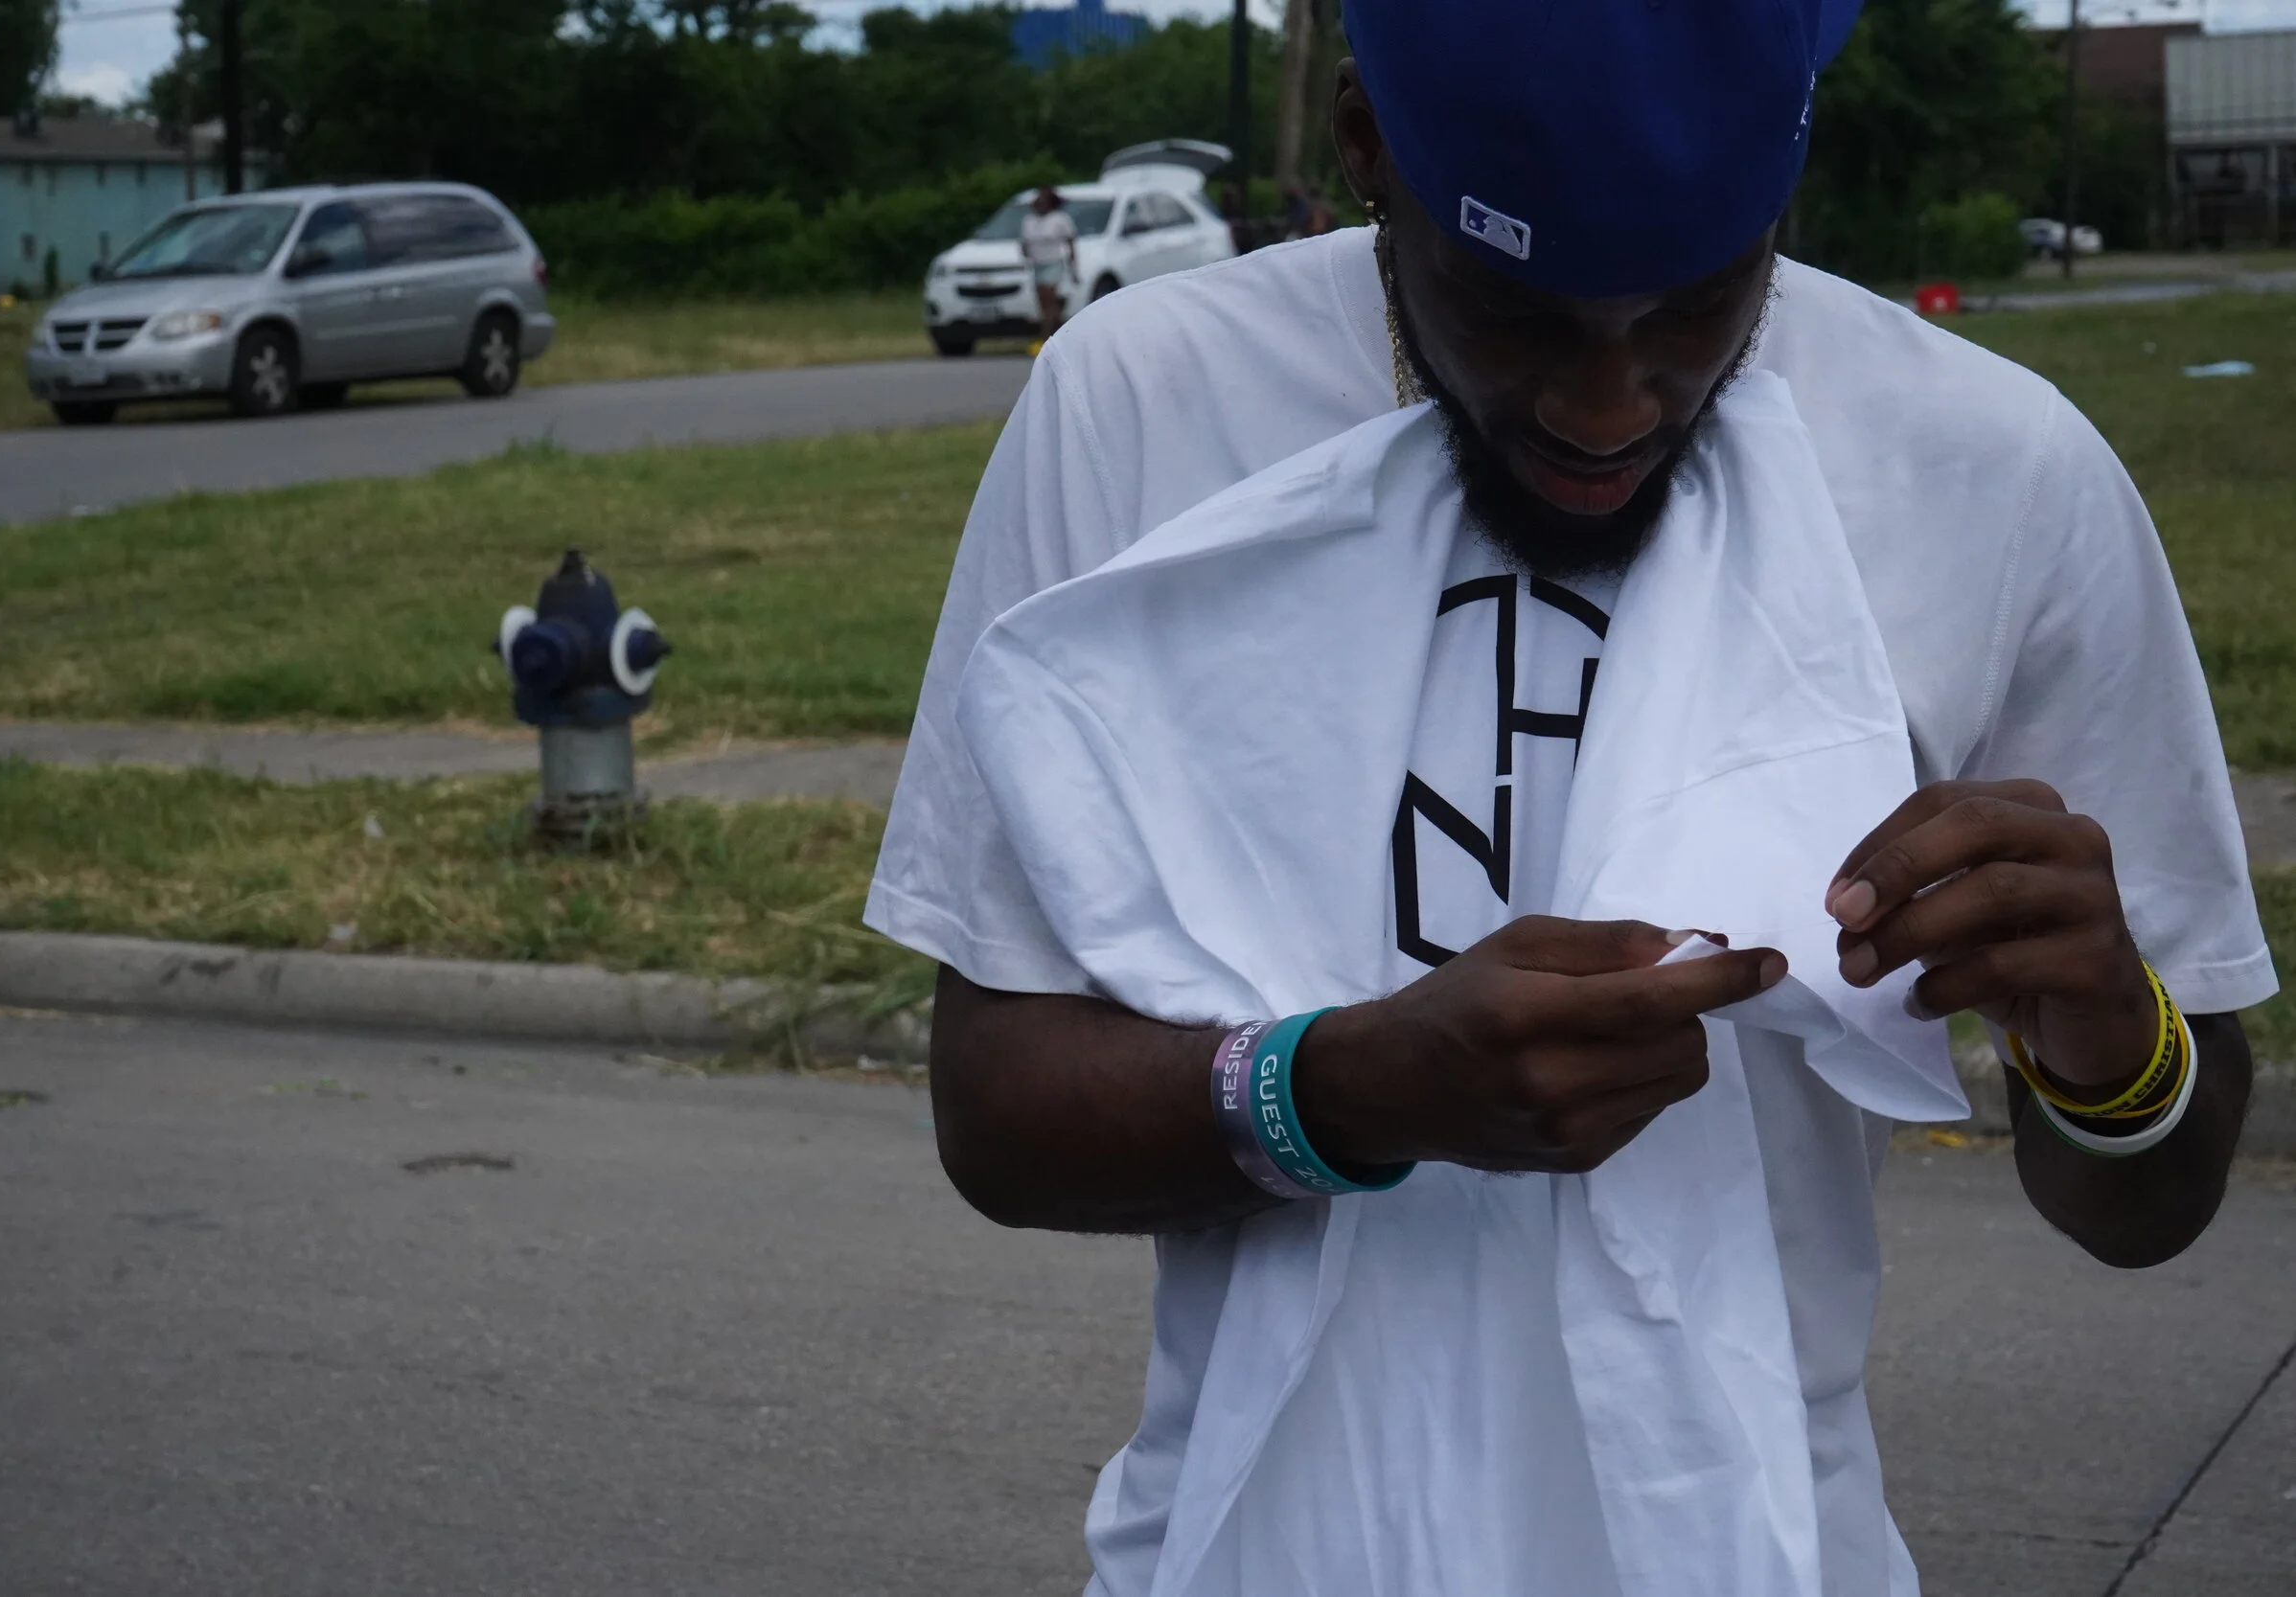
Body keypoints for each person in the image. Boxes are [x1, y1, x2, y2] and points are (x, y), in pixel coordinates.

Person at [868, 0, 2275, 1591]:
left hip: (1757, 1549)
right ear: (1367, 149)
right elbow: (995, 1107)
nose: (1609, 406)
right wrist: (1343, 1091)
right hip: (1250, 1546)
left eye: (1691, 306)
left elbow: (2150, 1200)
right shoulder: (1146, 406)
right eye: (1520, 308)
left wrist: (2107, 1029)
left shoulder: (2000, 474)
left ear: (1780, 204)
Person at [1019, 186, 1078, 351]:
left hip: (1054, 263)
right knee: (1045, 306)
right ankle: (1066, 336)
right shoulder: (1029, 221)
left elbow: (1070, 243)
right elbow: (1024, 243)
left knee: (1049, 298)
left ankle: (1043, 339)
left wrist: (1074, 269)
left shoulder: (1060, 219)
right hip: (1037, 264)